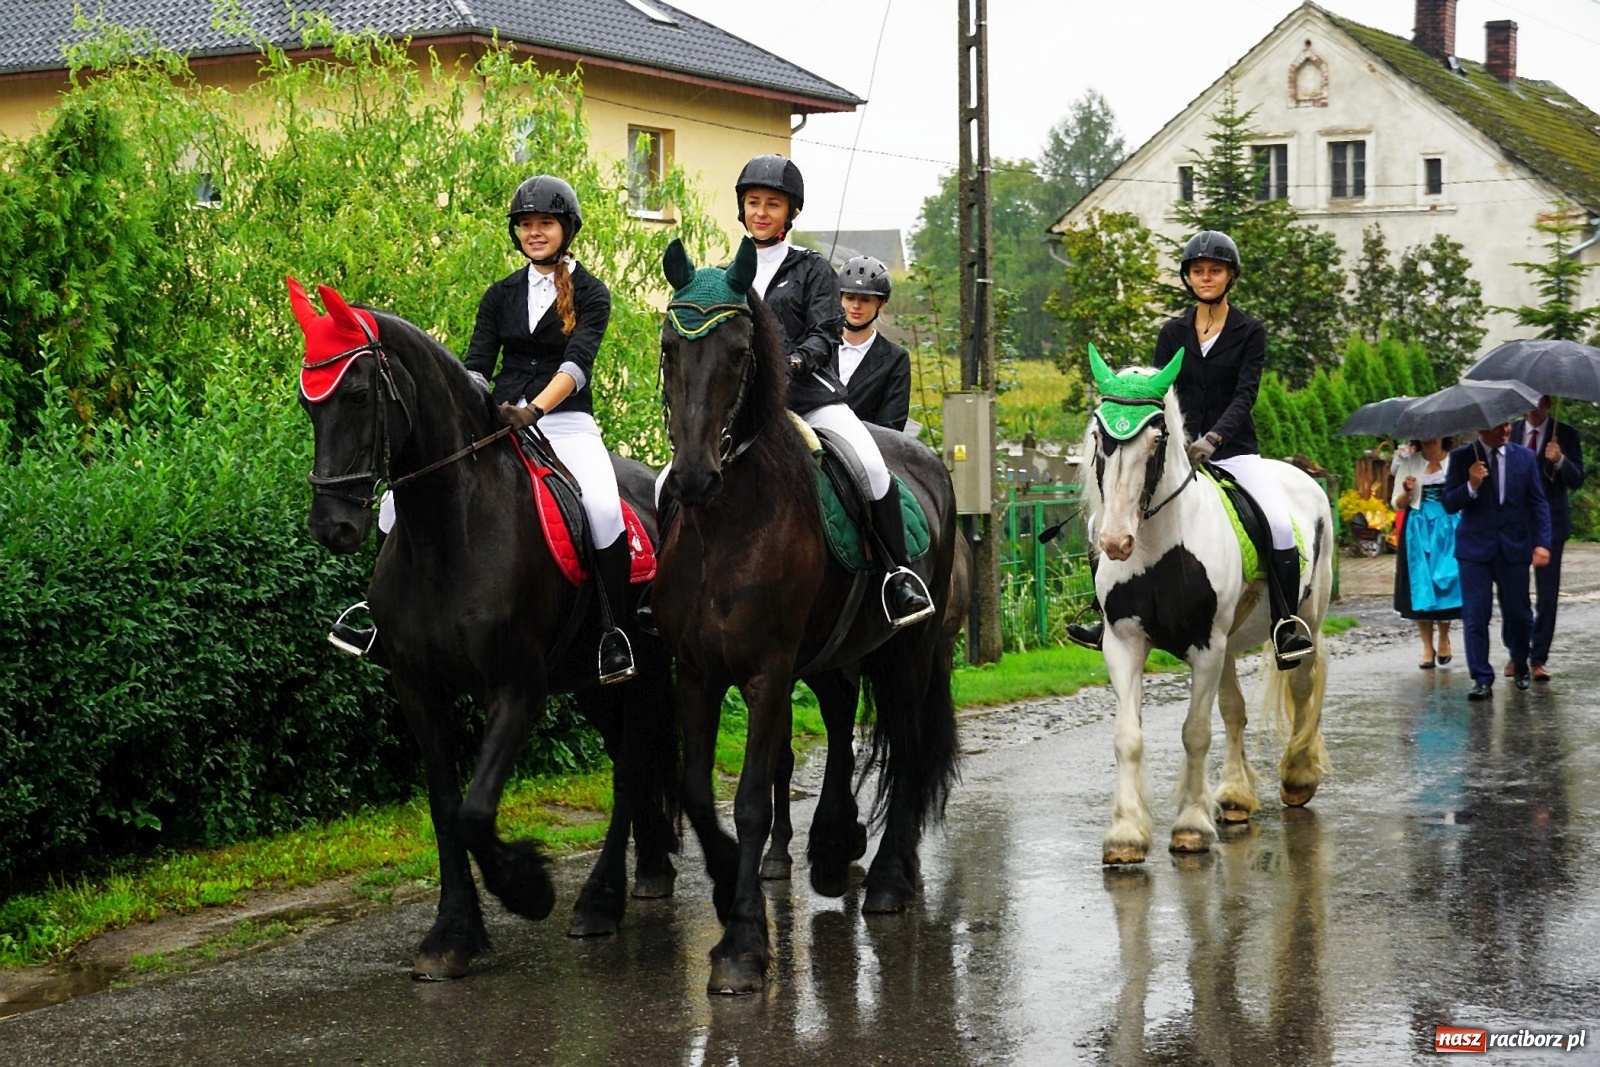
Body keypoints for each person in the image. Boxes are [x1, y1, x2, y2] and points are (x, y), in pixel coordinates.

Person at [330, 175, 637, 685]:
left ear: (567, 229)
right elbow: (476, 365)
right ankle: (379, 616)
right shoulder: (500, 294)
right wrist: (469, 407)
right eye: (526, 224)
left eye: (545, 223)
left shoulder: (590, 292)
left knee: (603, 509)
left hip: (566, 423)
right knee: (392, 502)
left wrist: (535, 409)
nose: (534, 232)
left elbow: (578, 365)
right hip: (499, 420)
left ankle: (613, 632)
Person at [658, 155, 931, 628]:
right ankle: (661, 585)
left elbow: (827, 332)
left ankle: (897, 576)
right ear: (742, 208)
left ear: (791, 212)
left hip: (809, 398)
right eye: (753, 202)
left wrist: (796, 361)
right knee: (667, 481)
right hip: (744, 409)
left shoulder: (811, 268)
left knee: (871, 467)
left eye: (773, 204)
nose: (761, 212)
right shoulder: (723, 276)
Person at [1067, 230, 1314, 669]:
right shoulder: (1173, 333)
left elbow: (1245, 394)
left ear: (1230, 276)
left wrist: (1214, 438)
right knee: (1099, 522)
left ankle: (1285, 624)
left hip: (1234, 451)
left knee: (1278, 524)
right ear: (1188, 277)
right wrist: (1175, 444)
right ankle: (1104, 617)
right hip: (1176, 454)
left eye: (1215, 270)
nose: (1206, 277)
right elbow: (1161, 397)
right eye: (1198, 271)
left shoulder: (1249, 331)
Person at [1442, 421, 1552, 701]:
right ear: (1481, 429)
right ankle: (1481, 678)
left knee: (1519, 615)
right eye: (1497, 428)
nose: (1505, 431)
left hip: (1514, 547)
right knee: (1475, 615)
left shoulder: (1525, 457)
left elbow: (1538, 502)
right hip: (1474, 550)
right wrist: (1472, 484)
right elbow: (1449, 503)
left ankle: (1520, 660)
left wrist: (1542, 542)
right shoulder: (1462, 457)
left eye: (1507, 425)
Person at [1506, 397, 1584, 681]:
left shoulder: (1566, 434)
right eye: (1526, 402)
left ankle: (1538, 658)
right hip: (1515, 524)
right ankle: (1516, 654)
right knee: (1513, 592)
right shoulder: (1510, 431)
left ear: (1548, 404)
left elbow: (1577, 480)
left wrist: (1560, 460)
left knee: (1547, 596)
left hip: (1551, 525)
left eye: (1537, 402)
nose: (1531, 409)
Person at [1391, 437, 1462, 669]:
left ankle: (1444, 638)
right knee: (1421, 584)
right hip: (1418, 527)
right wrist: (1407, 492)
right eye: (1424, 435)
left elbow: (1464, 495)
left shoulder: (1455, 461)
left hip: (1449, 526)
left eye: (1435, 434)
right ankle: (1426, 647)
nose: (1430, 438)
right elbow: (1397, 503)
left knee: (1446, 581)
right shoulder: (1409, 463)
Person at [836, 255, 911, 432]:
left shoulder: (895, 360)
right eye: (850, 298)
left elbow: (891, 426)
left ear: (881, 303)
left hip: (866, 444)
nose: (856, 305)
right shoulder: (818, 350)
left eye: (865, 299)